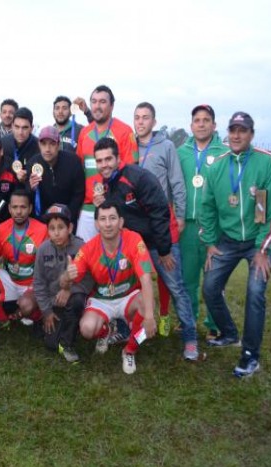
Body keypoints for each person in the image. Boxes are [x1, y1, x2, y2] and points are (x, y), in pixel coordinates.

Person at [91, 138, 201, 361]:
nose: (104, 164)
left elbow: (160, 211)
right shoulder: (106, 185)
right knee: (126, 288)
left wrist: (163, 249)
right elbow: (116, 216)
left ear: (118, 158)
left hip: (158, 242)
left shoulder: (138, 177)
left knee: (176, 287)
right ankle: (124, 331)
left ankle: (190, 340)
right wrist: (101, 204)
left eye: (108, 159)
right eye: (99, 160)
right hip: (134, 245)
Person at [201, 111, 271, 378]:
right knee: (210, 287)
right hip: (227, 240)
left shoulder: (265, 163)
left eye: (242, 130)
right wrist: (211, 243)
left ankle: (250, 355)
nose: (236, 135)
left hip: (257, 243)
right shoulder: (217, 167)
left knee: (255, 292)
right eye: (233, 130)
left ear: (251, 134)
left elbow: (270, 212)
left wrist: (262, 250)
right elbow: (208, 207)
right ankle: (229, 333)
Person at [61, 202, 157, 374]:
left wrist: (149, 316)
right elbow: (65, 284)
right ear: (96, 224)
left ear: (121, 222)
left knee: (146, 304)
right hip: (102, 299)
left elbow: (146, 279)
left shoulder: (134, 240)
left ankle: (129, 350)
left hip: (129, 296)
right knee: (87, 330)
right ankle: (106, 331)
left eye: (112, 218)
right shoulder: (88, 248)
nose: (108, 223)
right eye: (103, 219)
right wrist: (67, 276)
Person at [133, 102, 187, 335]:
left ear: (154, 122)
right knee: (137, 271)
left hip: (160, 217)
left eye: (146, 117)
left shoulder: (166, 146)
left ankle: (164, 315)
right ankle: (137, 318)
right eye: (137, 117)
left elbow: (176, 181)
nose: (141, 122)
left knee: (166, 268)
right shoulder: (130, 145)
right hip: (135, 218)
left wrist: (181, 215)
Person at [177, 104, 226, 339]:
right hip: (187, 225)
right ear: (191, 125)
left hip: (213, 228)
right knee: (187, 279)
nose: (202, 123)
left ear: (214, 125)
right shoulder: (182, 152)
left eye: (206, 120)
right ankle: (187, 320)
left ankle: (215, 325)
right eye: (197, 120)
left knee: (214, 280)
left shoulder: (223, 152)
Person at [76, 85, 138, 241]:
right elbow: (80, 170)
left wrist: (112, 199)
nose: (97, 106)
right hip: (88, 208)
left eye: (102, 101)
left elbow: (131, 174)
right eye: (94, 101)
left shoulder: (125, 131)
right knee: (85, 258)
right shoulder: (84, 132)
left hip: (115, 209)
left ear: (112, 105)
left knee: (114, 260)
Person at [33, 204, 92, 363]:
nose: (56, 233)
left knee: (77, 300)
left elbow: (89, 279)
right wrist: (46, 312)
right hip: (53, 302)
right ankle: (56, 326)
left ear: (70, 227)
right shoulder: (43, 250)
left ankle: (67, 344)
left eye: (61, 227)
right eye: (52, 228)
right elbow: (38, 284)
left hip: (74, 298)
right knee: (51, 344)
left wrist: (70, 290)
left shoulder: (81, 247)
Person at [0, 189, 48, 322]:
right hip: (10, 279)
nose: (18, 212)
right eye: (15, 207)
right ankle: (1, 316)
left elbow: (48, 267)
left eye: (23, 207)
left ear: (30, 208)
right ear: (9, 208)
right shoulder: (1, 229)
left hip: (32, 283)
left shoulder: (42, 230)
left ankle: (22, 311)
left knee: (27, 305)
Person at [27, 126, 85, 230]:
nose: (47, 149)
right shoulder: (33, 163)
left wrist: (68, 217)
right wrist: (31, 189)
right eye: (44, 144)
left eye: (52, 144)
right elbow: (29, 198)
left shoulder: (73, 162)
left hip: (68, 218)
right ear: (39, 145)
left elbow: (78, 193)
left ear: (58, 145)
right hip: (43, 221)